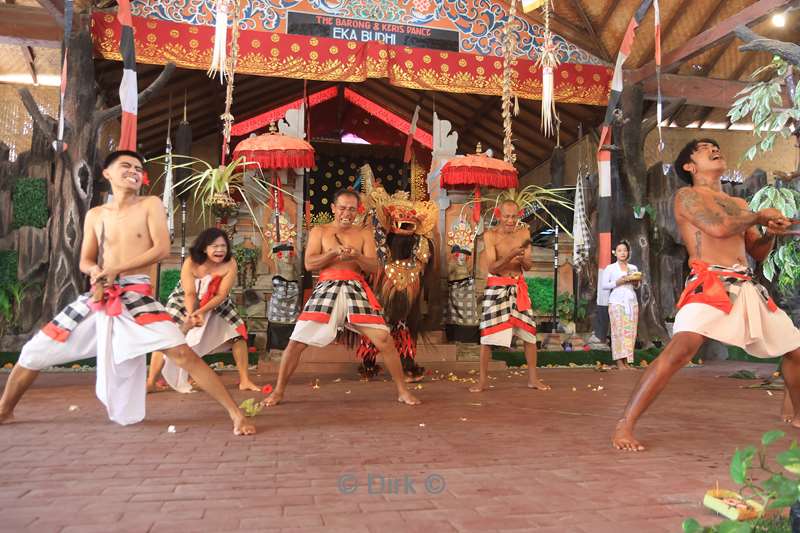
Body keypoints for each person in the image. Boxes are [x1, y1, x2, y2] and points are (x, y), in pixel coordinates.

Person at [0, 151, 255, 435]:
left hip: (137, 297)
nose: (134, 171)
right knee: (35, 351)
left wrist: (116, 269)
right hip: (100, 297)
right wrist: (96, 272)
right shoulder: (96, 214)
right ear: (107, 173)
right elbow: (85, 258)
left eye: (138, 168)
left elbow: (160, 249)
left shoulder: (150, 205)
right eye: (126, 166)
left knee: (183, 354)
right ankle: (5, 410)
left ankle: (236, 415)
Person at [612, 139, 797, 451]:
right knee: (680, 351)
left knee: (796, 350)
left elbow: (757, 251)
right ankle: (625, 423)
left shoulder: (740, 205)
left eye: (716, 145)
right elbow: (719, 228)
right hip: (709, 283)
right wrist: (759, 217)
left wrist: (771, 234)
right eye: (704, 147)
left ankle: (796, 413)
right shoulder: (687, 196)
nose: (714, 148)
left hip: (745, 286)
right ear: (689, 165)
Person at [262, 189, 420, 406]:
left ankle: (402, 391)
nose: (347, 213)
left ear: (358, 210)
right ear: (333, 208)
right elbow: (309, 264)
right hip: (327, 287)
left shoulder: (364, 233)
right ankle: (279, 391)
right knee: (296, 343)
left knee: (384, 340)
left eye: (352, 209)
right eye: (343, 208)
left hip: (355, 287)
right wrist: (333, 253)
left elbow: (375, 266)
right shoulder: (320, 231)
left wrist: (357, 256)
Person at [147, 228, 260, 393]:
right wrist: (193, 312)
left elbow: (221, 294)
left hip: (216, 302)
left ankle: (245, 380)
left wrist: (204, 310)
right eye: (215, 246)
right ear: (204, 248)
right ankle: (151, 381)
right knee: (168, 335)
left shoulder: (230, 263)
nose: (220, 250)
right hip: (184, 300)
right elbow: (190, 293)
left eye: (223, 246)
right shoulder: (191, 262)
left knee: (238, 335)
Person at [470, 200, 550, 393]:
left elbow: (529, 266)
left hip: (518, 287)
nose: (510, 220)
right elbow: (492, 266)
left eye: (514, 216)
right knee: (487, 335)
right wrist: (510, 255)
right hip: (497, 287)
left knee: (529, 334)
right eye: (506, 216)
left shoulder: (524, 233)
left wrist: (522, 258)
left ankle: (533, 379)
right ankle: (482, 380)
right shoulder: (490, 236)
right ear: (499, 215)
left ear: (519, 215)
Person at [600, 240, 641, 370]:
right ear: (615, 253)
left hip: (631, 301)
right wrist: (618, 282)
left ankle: (627, 361)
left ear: (628, 253)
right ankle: (619, 362)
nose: (622, 253)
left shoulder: (633, 268)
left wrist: (635, 281)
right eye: (619, 251)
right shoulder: (610, 268)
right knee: (618, 331)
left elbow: (637, 285)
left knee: (630, 332)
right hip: (617, 302)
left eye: (625, 250)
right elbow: (604, 285)